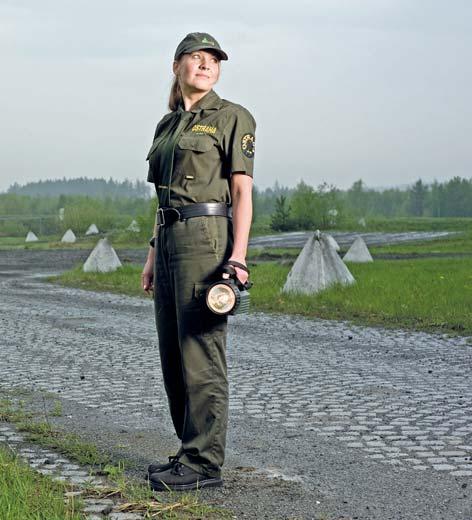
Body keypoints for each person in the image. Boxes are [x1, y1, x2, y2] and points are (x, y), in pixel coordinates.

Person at [140, 32, 255, 491]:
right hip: (168, 239)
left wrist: (239, 258)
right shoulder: (166, 128)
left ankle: (205, 462)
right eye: (196, 58)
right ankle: (188, 450)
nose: (205, 65)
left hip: (206, 238)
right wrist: (152, 254)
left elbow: (243, 192)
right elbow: (161, 198)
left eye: (213, 60)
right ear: (177, 66)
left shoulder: (232, 117)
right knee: (172, 351)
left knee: (201, 350)